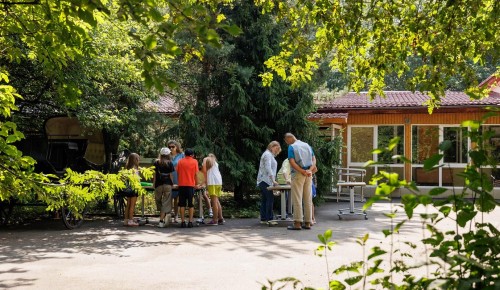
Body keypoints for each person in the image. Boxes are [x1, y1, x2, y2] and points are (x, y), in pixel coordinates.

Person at [284, 133, 316, 230]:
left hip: (298, 174)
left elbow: (292, 162)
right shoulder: (307, 145)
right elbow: (314, 160)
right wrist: (309, 170)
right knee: (308, 199)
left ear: (288, 139)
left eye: (286, 141)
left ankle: (297, 223)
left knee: (297, 198)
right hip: (309, 175)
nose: (286, 143)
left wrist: (302, 171)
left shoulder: (291, 147)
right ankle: (308, 223)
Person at [256, 141, 281, 225]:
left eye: (278, 149)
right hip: (266, 180)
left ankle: (263, 218)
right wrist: (273, 180)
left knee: (265, 199)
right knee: (270, 199)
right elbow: (268, 168)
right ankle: (269, 219)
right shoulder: (267, 155)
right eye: (276, 148)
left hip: (264, 180)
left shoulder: (269, 154)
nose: (277, 150)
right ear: (271, 146)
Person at [176, 148, 199, 228]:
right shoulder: (195, 161)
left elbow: (178, 172)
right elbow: (196, 174)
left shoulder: (180, 161)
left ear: (185, 154)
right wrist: (197, 184)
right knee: (190, 204)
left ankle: (182, 222)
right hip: (190, 185)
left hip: (181, 185)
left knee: (182, 204)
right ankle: (190, 222)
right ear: (192, 155)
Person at [153, 147, 175, 228]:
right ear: (168, 154)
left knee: (158, 200)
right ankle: (162, 219)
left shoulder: (156, 162)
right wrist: (172, 183)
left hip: (158, 184)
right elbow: (171, 175)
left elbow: (154, 174)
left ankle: (162, 218)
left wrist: (154, 183)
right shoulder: (170, 163)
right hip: (167, 185)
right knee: (166, 202)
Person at [202, 153, 224, 226]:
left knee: (214, 201)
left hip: (212, 182)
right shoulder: (215, 162)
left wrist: (204, 182)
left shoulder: (205, 159)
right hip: (219, 182)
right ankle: (220, 218)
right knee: (216, 200)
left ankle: (215, 220)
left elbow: (204, 171)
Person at [168, 140, 184, 223]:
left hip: (179, 176)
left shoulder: (182, 155)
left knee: (177, 198)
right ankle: (169, 215)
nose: (171, 148)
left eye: (173, 147)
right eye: (169, 147)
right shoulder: (167, 155)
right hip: (169, 177)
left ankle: (176, 216)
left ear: (177, 147)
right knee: (169, 197)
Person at [123, 153, 141, 227]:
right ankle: (130, 220)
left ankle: (126, 220)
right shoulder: (135, 169)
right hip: (134, 188)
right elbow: (136, 180)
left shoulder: (127, 168)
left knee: (128, 205)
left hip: (128, 188)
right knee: (132, 205)